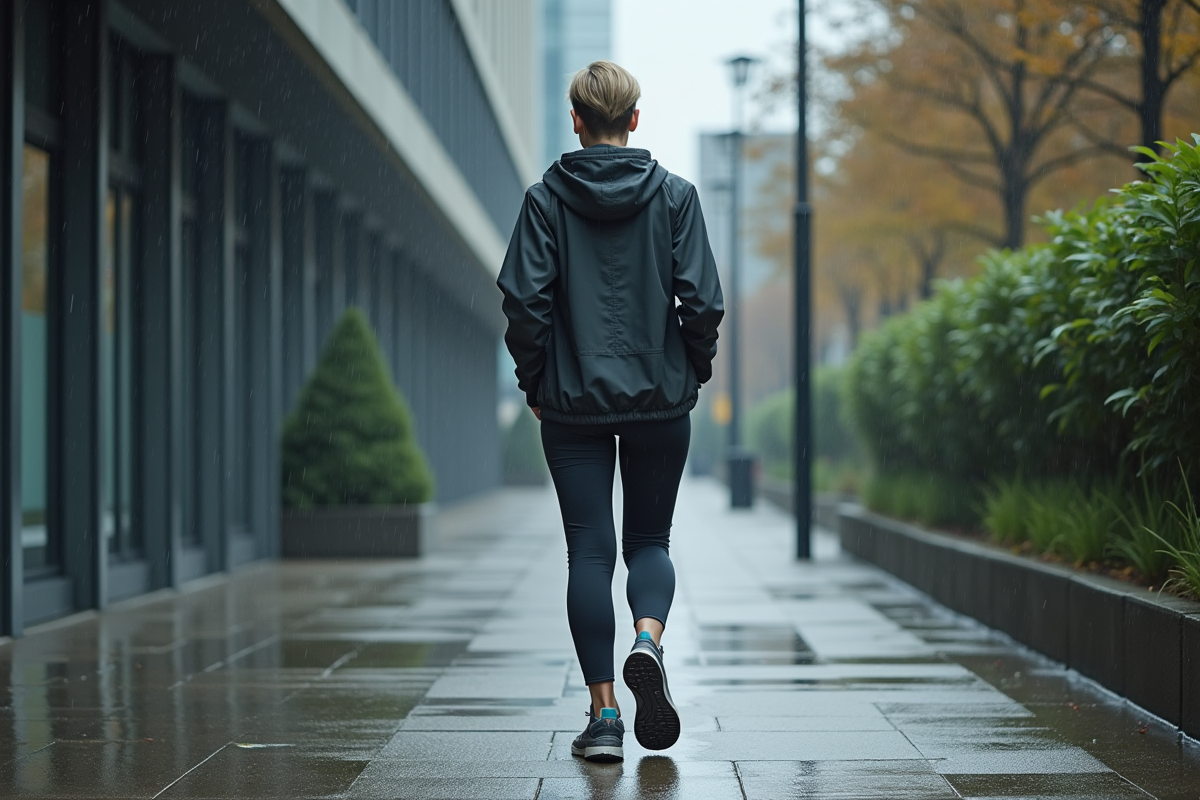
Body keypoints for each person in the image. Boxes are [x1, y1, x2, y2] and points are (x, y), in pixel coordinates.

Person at [497, 60, 723, 763]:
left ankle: (603, 720)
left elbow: (524, 303)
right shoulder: (677, 198)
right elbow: (703, 302)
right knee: (649, 543)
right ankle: (648, 640)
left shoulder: (545, 202)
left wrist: (536, 381)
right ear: (634, 118)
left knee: (589, 551)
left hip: (571, 402)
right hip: (660, 397)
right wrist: (692, 366)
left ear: (575, 120)